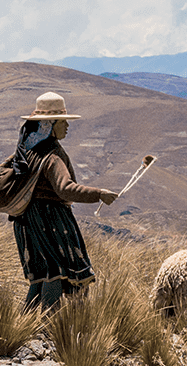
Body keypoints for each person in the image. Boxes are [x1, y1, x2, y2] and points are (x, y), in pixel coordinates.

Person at [9, 92, 117, 314]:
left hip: (28, 219)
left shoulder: (28, 150)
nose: (67, 126)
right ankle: (50, 325)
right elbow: (65, 188)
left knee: (41, 275)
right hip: (49, 219)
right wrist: (99, 194)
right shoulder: (52, 155)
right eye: (63, 121)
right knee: (55, 271)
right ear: (50, 124)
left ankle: (23, 324)